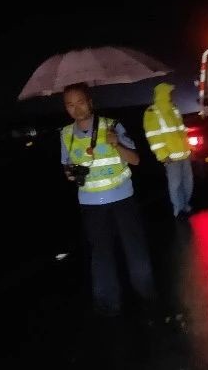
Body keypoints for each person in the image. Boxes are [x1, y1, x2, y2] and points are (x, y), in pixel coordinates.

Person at [59, 82, 156, 317]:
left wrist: (117, 143)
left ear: (90, 101)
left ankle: (147, 296)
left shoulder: (112, 125)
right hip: (90, 204)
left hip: (122, 198)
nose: (76, 108)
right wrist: (71, 173)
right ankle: (107, 304)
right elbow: (66, 167)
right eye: (70, 105)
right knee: (100, 254)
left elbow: (135, 160)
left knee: (135, 249)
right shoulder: (65, 134)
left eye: (80, 102)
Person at [143, 82, 193, 217]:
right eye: (170, 92)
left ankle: (185, 204)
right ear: (163, 93)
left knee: (187, 182)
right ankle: (178, 208)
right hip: (171, 156)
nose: (172, 94)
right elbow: (153, 136)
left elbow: (181, 131)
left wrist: (188, 149)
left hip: (183, 153)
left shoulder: (174, 108)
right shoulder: (152, 112)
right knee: (175, 184)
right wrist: (163, 155)